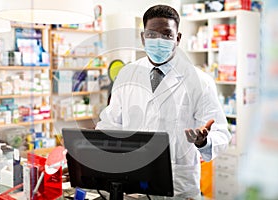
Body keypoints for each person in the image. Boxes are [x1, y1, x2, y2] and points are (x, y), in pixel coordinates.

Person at [96, 4, 231, 200]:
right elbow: (109, 125)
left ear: (178, 38)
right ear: (143, 38)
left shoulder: (200, 81)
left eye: (167, 35)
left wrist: (204, 142)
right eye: (151, 35)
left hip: (178, 187)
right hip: (132, 183)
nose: (159, 41)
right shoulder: (127, 74)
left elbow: (221, 134)